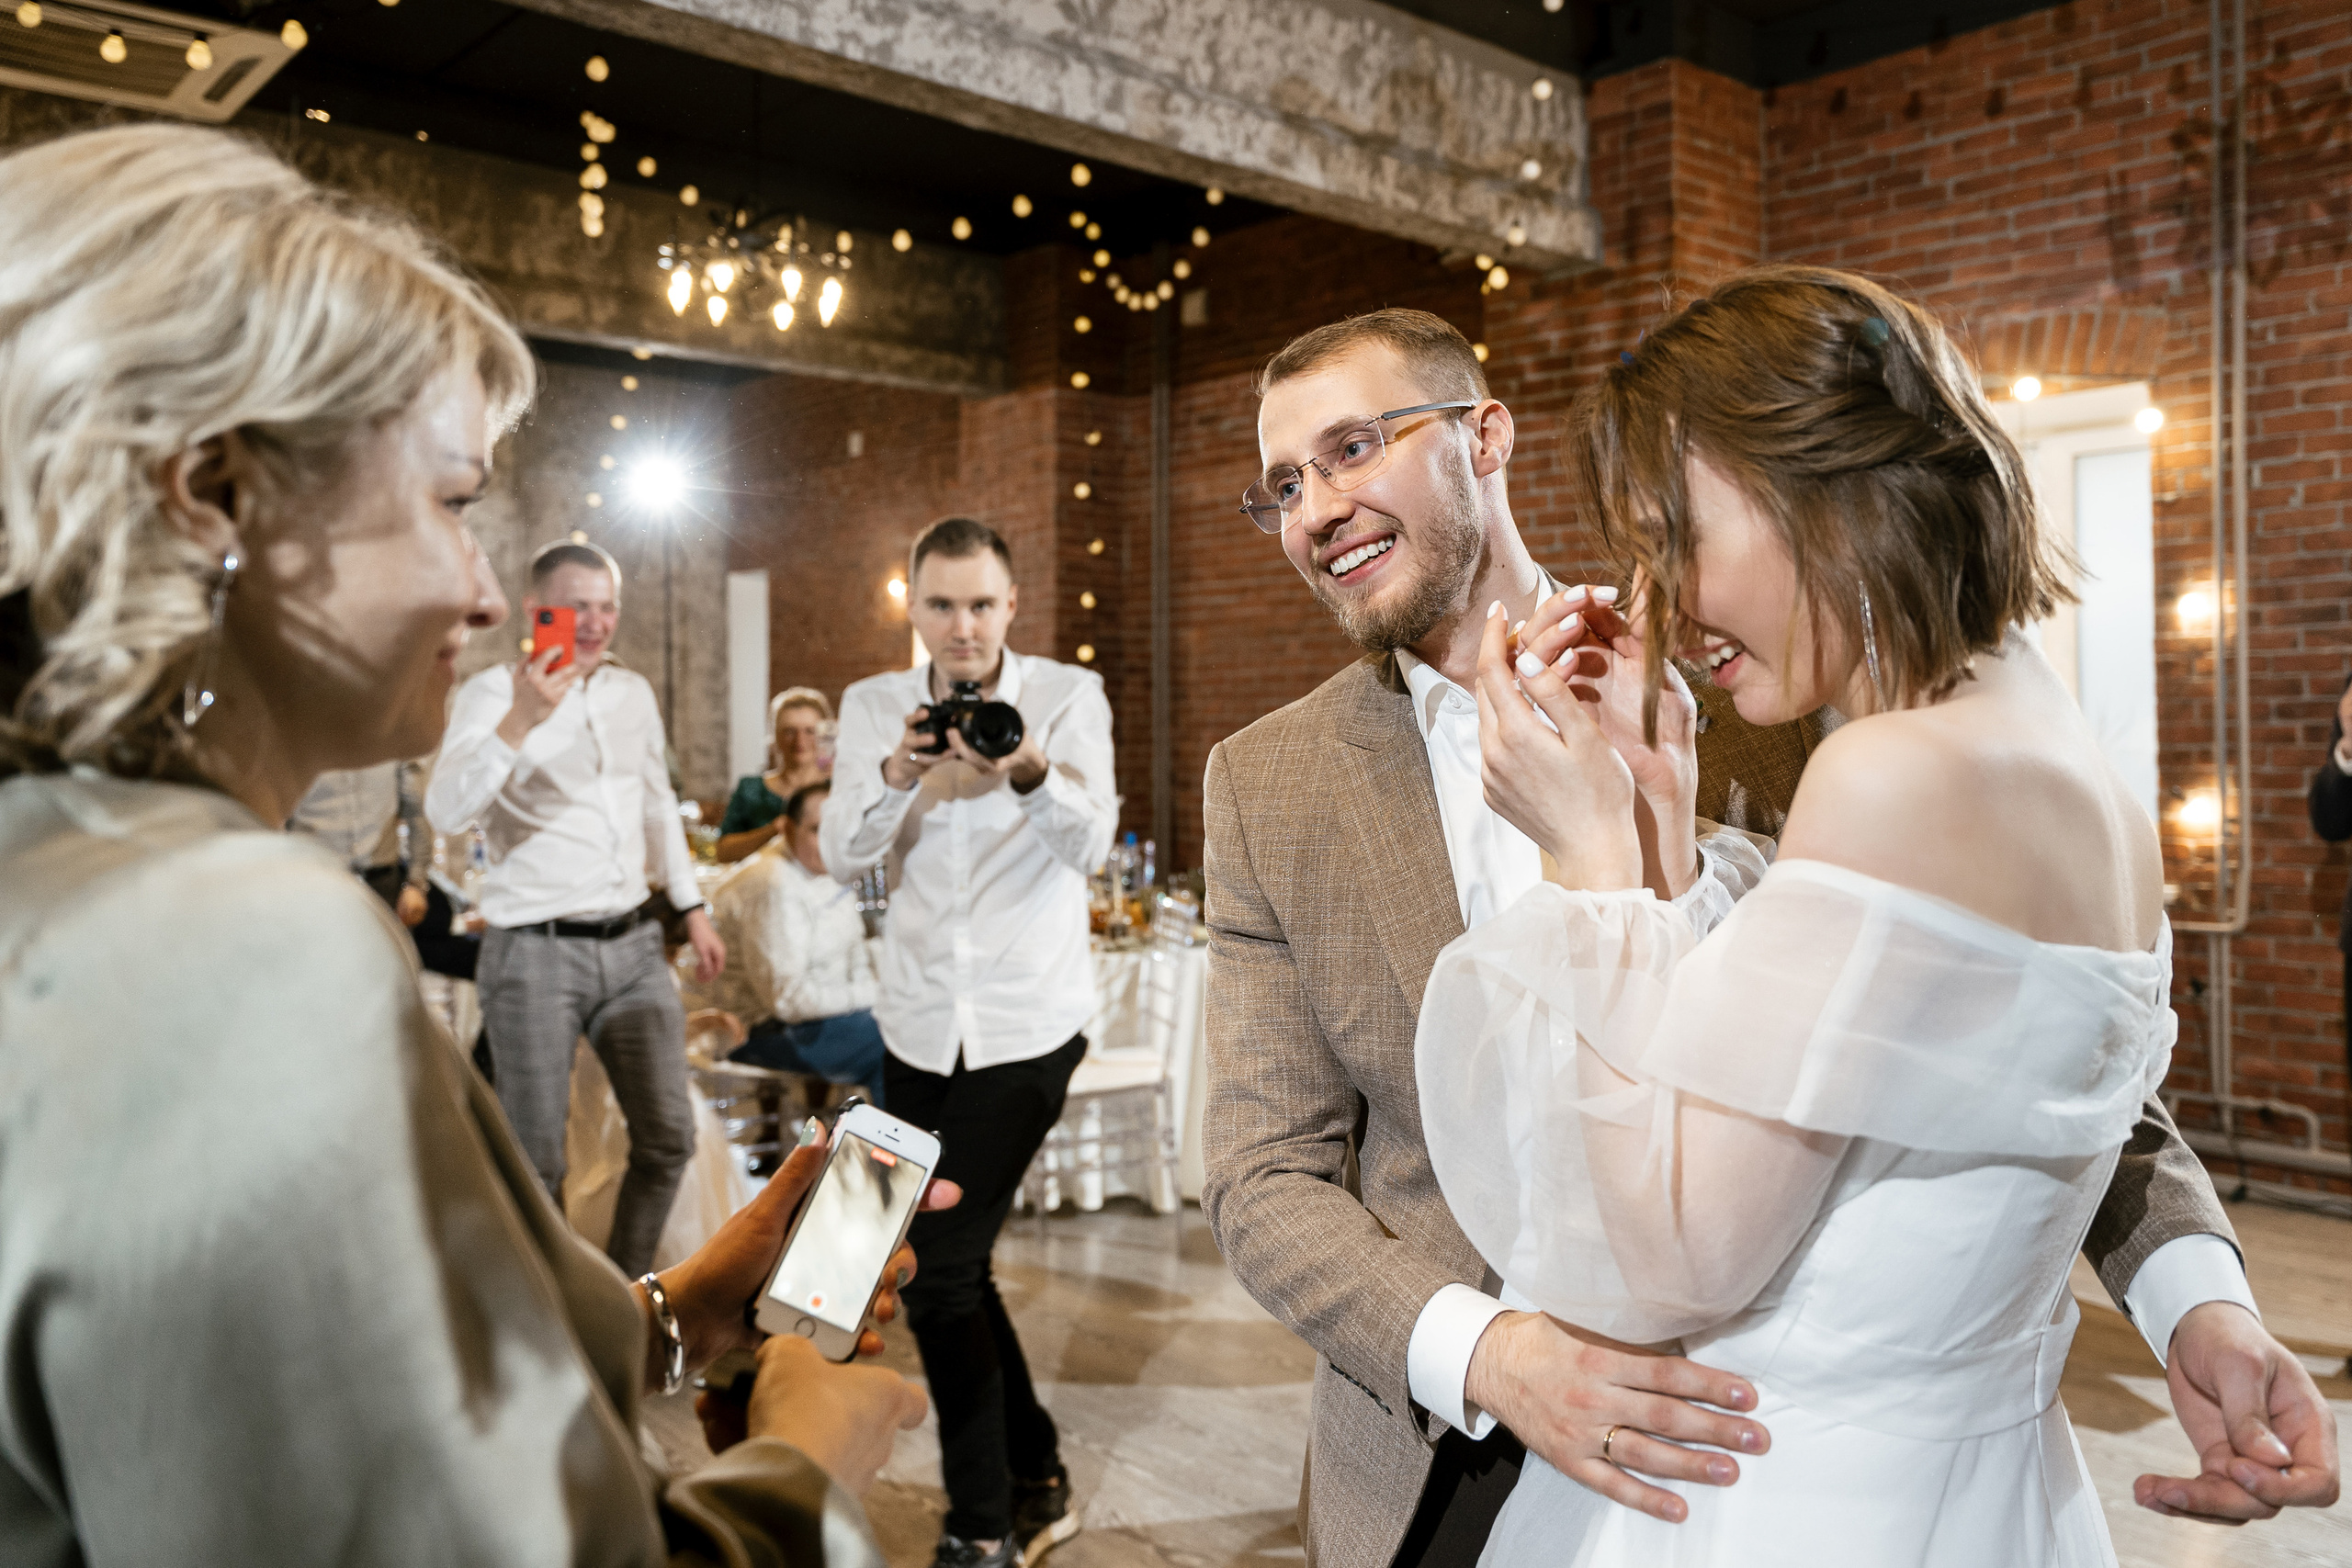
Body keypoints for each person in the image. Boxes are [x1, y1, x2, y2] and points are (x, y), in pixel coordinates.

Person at [1199, 304, 2338, 1567]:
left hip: (1764, 1463)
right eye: (1284, 485)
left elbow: (2042, 1052)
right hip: (1438, 1452)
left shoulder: (1775, 680)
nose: (1315, 508)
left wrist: (2192, 1293)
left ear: (1486, 435)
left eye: (1353, 447)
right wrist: (1491, 1352)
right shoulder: (1266, 782)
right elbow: (1260, 1172)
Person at [0, 121, 944, 1563]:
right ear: (214, 492)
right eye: (451, 502)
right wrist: (806, 1453)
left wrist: (686, 1305)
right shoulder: (228, 946)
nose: (486, 593)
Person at [823, 516, 1116, 1568]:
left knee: (940, 1271)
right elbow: (836, 854)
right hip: (913, 1029)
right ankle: (1035, 1473)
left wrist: (1031, 766)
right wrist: (899, 773)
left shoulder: (1068, 696)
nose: (962, 626)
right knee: (958, 1270)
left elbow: (1092, 845)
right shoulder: (871, 707)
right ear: (914, 604)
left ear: (1011, 605)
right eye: (940, 604)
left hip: (1027, 1030)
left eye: (981, 604)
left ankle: (982, 1525)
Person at [427, 536, 727, 1279]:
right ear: (537, 612)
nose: (594, 623)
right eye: (575, 608)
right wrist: (522, 719)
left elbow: (658, 805)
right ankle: (556, 1324)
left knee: (667, 1138)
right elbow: (445, 807)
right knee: (536, 1162)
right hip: (533, 950)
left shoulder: (632, 694)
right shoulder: (493, 694)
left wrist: (691, 907)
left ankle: (619, 1301)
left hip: (632, 946)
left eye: (605, 607)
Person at [713, 779, 889, 1103]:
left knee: (909, 1030)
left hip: (821, 1019)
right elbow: (788, 1001)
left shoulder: (827, 871)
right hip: (760, 1032)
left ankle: (885, 1146)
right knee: (893, 1043)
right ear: (787, 829)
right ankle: (884, 1149)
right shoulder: (774, 884)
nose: (828, 841)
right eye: (816, 829)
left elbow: (854, 955)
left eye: (837, 829)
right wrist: (873, 995)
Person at [287, 759, 431, 927]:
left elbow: (417, 809)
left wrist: (416, 883)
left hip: (380, 884)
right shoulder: (290, 741)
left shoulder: (392, 739)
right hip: (312, 883)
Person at [718, 687, 834, 861]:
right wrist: (772, 830)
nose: (799, 740)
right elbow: (723, 852)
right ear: (775, 737)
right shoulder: (750, 788)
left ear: (822, 736)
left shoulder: (836, 789)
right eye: (789, 731)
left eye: (809, 731)